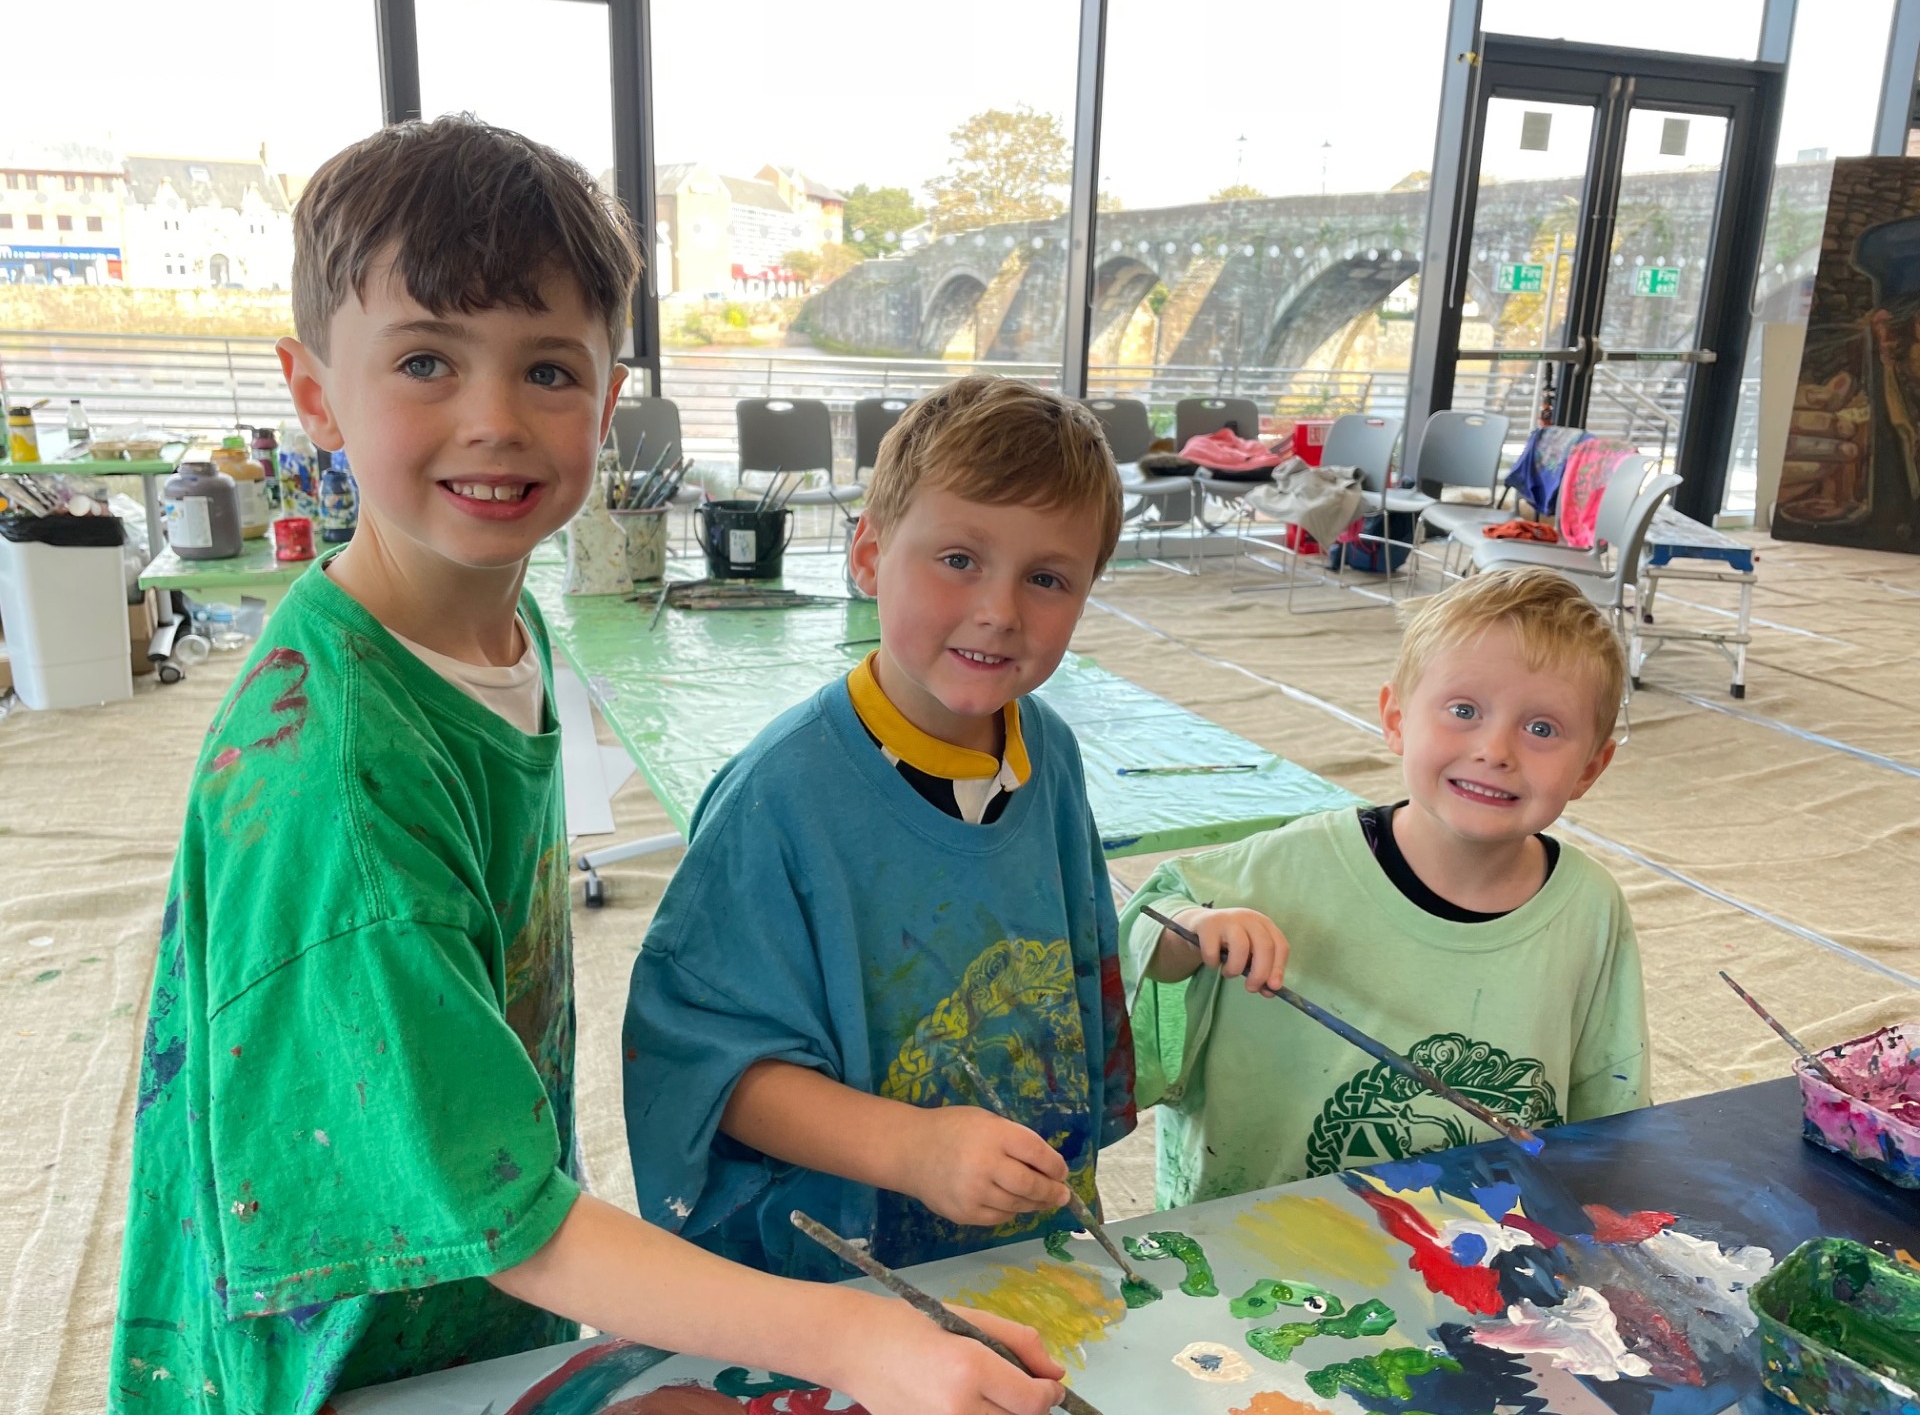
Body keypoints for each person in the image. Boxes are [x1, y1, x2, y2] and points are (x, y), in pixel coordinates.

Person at [108, 117, 1067, 1415]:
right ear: (314, 388)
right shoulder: (338, 780)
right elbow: (502, 1212)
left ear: (611, 398)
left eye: (549, 371)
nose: (495, 422)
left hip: (454, 1285)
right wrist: (849, 1339)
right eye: (428, 361)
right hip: (327, 1347)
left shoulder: (496, 624)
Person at [623, 376, 1136, 1280]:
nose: (999, 610)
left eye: (1048, 578)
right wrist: (911, 1148)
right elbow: (704, 1074)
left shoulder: (1046, 751)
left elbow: (1078, 970)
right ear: (867, 556)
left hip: (1020, 1261)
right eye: (958, 560)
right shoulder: (776, 799)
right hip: (840, 1286)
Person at [1122, 566, 1649, 1208]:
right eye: (1463, 711)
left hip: (1478, 1255)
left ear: (1591, 766)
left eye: (1542, 729)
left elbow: (1609, 1112)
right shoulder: (1289, 864)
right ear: (1396, 719)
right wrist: (1197, 932)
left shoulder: (1590, 907)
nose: (1495, 749)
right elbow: (1143, 932)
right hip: (1259, 1246)